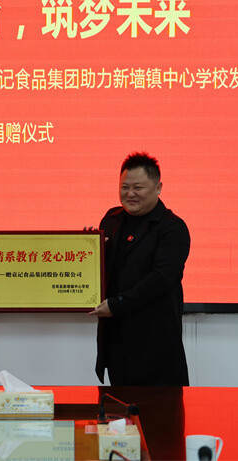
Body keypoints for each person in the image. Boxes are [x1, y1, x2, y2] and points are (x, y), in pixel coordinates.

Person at [89, 152, 190, 386]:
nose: (130, 194)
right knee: (119, 407)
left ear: (158, 188)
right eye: (124, 187)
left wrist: (118, 304)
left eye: (138, 187)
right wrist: (89, 250)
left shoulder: (172, 228)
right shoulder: (111, 219)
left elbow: (162, 278)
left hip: (155, 345)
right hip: (116, 342)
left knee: (161, 408)